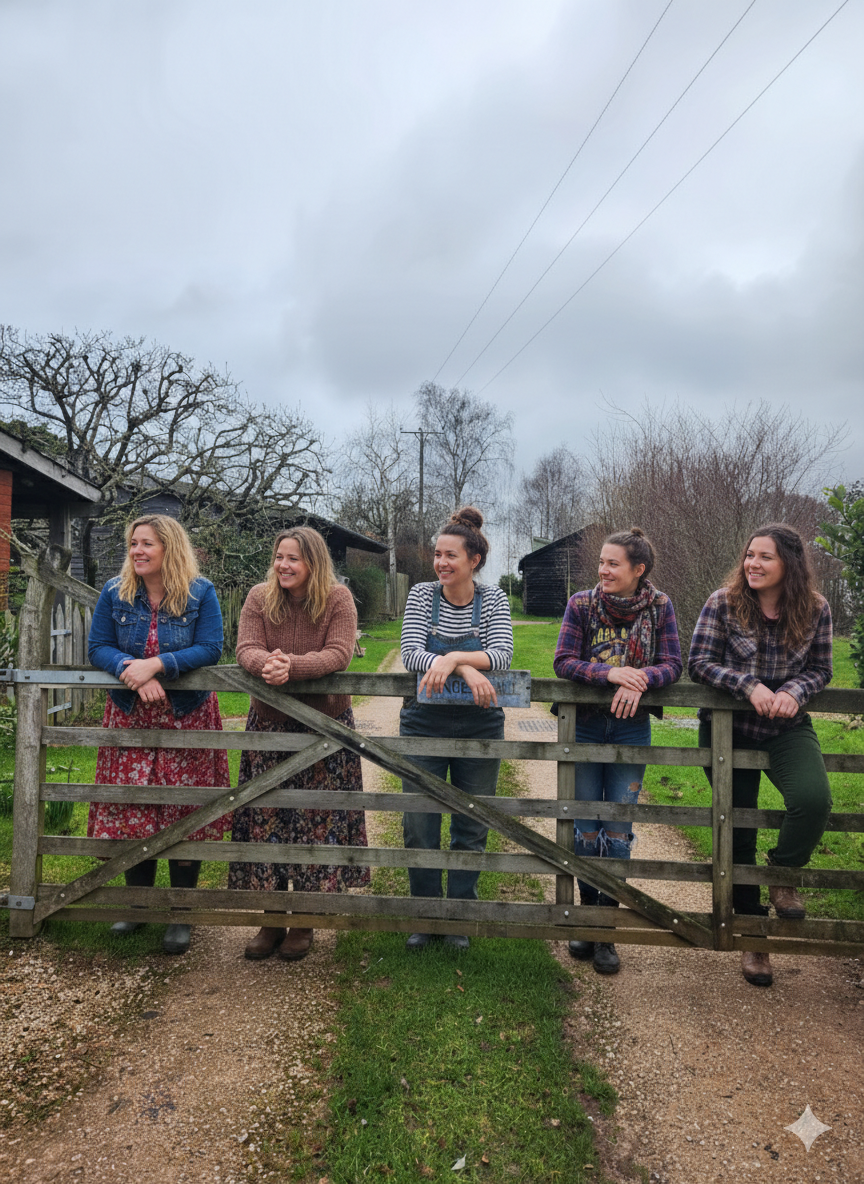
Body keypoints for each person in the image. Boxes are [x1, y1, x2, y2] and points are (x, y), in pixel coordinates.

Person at [688, 523, 833, 988]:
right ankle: (756, 941)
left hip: (786, 729)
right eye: (750, 555)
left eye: (764, 557)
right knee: (740, 831)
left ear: (788, 563)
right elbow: (699, 662)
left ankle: (783, 872)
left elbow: (822, 668)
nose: (752, 563)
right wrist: (747, 685)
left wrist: (796, 688)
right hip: (728, 731)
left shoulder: (815, 609)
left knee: (813, 801)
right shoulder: (722, 602)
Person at [87, 514, 230, 955]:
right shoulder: (115, 592)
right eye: (133, 544)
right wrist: (131, 670)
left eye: (146, 544)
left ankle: (180, 913)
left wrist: (159, 664)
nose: (137, 552)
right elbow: (98, 647)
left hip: (186, 718)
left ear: (169, 547)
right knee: (134, 806)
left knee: (181, 812)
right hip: (131, 717)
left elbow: (210, 647)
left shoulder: (200, 592)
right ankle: (138, 906)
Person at [228, 527, 370, 962]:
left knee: (316, 820)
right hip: (269, 729)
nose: (283, 565)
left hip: (323, 731)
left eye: (293, 558)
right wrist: (265, 662)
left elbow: (339, 653)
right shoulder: (258, 597)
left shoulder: (337, 599)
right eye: (279, 557)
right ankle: (271, 919)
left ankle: (304, 921)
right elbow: (245, 647)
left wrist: (292, 666)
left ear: (313, 562)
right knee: (266, 819)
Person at [553, 527, 682, 975]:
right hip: (585, 727)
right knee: (585, 823)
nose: (603, 571)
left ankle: (607, 926)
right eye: (602, 563)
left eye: (613, 564)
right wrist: (610, 674)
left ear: (638, 570)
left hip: (631, 729)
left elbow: (673, 664)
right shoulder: (581, 604)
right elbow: (563, 660)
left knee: (618, 826)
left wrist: (643, 677)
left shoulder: (660, 606)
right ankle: (587, 919)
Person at [399, 507, 514, 951]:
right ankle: (426, 915)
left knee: (472, 821)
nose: (441, 563)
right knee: (419, 821)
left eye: (450, 556)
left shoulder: (495, 599)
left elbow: (502, 654)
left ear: (474, 561)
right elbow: (411, 653)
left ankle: (460, 915)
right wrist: (464, 668)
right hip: (423, 722)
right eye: (437, 555)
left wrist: (451, 659)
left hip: (480, 724)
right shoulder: (421, 596)